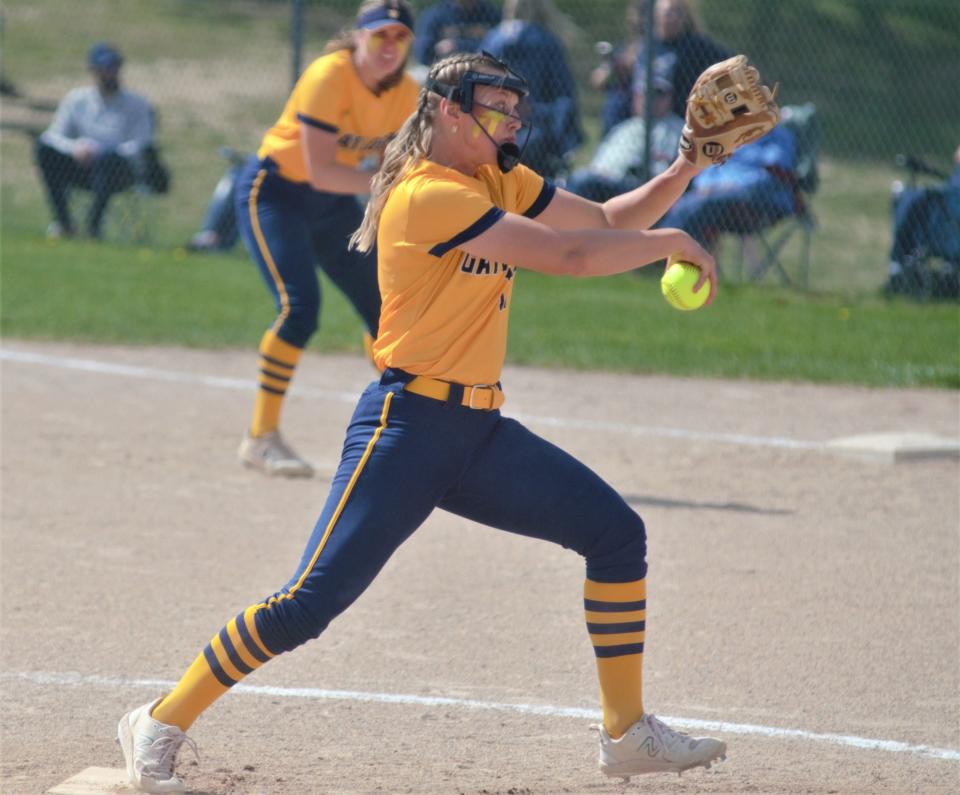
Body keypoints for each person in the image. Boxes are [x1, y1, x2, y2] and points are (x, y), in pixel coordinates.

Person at [117, 51, 732, 793]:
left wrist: (685, 168)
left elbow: (600, 220)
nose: (510, 122)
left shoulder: (495, 176)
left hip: (479, 433)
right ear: (445, 108)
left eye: (514, 109)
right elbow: (569, 255)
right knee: (309, 603)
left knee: (615, 534)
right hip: (405, 427)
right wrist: (670, 241)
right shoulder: (427, 193)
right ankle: (157, 721)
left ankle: (626, 732)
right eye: (494, 107)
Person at [233, 0, 419, 478]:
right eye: (380, 35)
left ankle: (402, 426)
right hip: (275, 193)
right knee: (300, 307)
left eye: (400, 38)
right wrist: (385, 181)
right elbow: (321, 172)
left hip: (334, 206)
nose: (389, 47)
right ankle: (261, 438)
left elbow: (397, 166)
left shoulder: (407, 94)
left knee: (385, 309)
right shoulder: (328, 75)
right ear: (357, 37)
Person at [33, 42, 168, 240]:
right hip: (81, 167)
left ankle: (93, 227)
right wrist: (76, 148)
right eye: (105, 68)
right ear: (93, 70)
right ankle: (64, 223)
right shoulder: (77, 100)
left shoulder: (137, 104)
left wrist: (106, 151)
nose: (110, 73)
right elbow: (53, 136)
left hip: (120, 171)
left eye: (114, 68)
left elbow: (142, 142)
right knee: (44, 150)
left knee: (107, 160)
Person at [480, 0, 584, 178]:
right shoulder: (547, 41)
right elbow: (564, 96)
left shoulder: (494, 37)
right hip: (534, 120)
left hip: (496, 114)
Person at [656, 123, 798, 250]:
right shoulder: (728, 135)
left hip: (754, 199)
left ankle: (664, 253)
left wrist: (735, 185)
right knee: (682, 203)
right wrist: (709, 186)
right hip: (716, 194)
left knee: (696, 205)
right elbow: (708, 170)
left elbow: (775, 171)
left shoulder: (776, 136)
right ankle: (669, 253)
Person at [565, 56, 683, 202]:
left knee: (584, 183)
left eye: (659, 93)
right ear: (636, 96)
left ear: (670, 97)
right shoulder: (625, 127)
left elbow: (663, 172)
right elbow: (598, 165)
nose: (651, 99)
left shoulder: (678, 129)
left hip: (637, 189)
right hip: (603, 183)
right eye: (646, 93)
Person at [885, 145, 960, 299]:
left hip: (947, 223)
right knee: (911, 198)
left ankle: (898, 267)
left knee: (914, 198)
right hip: (947, 212)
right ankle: (898, 268)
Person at [645, 0, 731, 120]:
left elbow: (728, 60)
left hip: (684, 114)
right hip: (648, 117)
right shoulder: (647, 46)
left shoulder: (696, 46)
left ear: (684, 18)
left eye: (675, 13)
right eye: (665, 13)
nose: (670, 18)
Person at [591, 0, 647, 137]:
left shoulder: (656, 48)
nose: (633, 20)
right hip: (614, 112)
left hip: (634, 112)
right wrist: (612, 68)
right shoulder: (623, 48)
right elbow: (598, 81)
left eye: (639, 15)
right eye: (632, 16)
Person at [413, 0, 501, 67]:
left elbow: (500, 48)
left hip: (484, 67)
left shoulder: (490, 13)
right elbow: (422, 53)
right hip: (443, 67)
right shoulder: (436, 15)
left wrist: (457, 45)